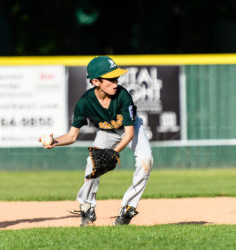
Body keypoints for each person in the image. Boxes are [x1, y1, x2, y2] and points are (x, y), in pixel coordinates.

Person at [40, 56, 153, 226]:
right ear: (96, 82)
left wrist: (113, 153)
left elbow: (129, 133)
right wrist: (55, 141)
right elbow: (71, 136)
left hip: (131, 128)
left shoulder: (123, 96)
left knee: (146, 161)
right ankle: (87, 208)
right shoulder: (85, 103)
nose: (116, 82)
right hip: (106, 132)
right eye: (111, 79)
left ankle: (128, 207)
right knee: (92, 164)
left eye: (117, 77)